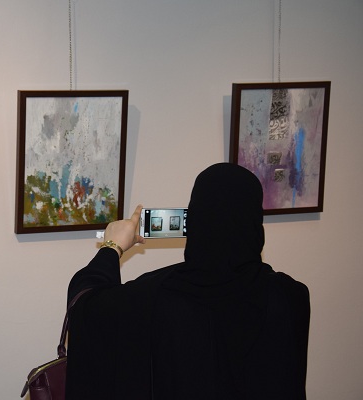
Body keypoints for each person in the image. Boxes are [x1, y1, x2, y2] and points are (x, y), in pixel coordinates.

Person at [66, 163, 310, 400]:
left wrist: (112, 247)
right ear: (255, 222)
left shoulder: (153, 296)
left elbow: (84, 306)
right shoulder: (291, 297)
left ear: (194, 219)